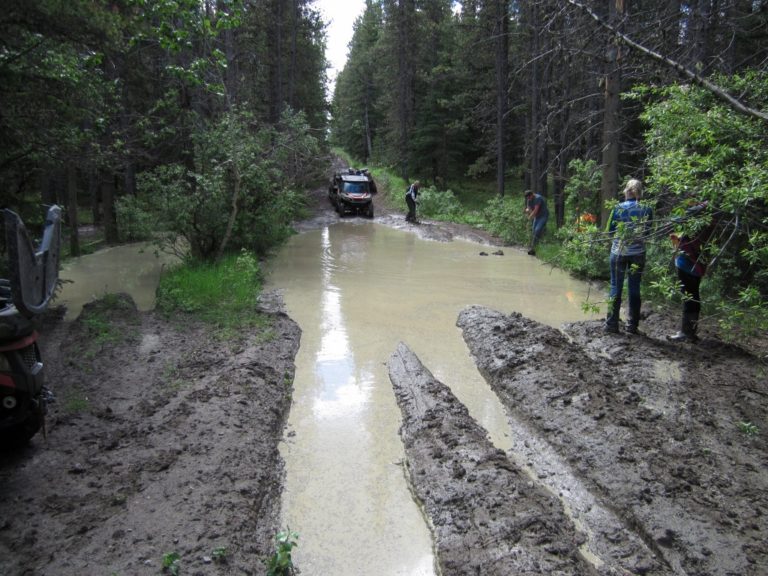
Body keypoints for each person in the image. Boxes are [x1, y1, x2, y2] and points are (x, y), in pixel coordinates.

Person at [604, 178, 653, 334]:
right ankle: (632, 326)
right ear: (640, 192)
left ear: (626, 191)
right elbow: (648, 231)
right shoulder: (647, 209)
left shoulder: (618, 208)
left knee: (615, 287)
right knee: (634, 288)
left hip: (618, 252)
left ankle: (611, 325)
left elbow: (610, 231)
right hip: (638, 253)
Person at [668, 202, 715, 343]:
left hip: (687, 264)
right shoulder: (712, 218)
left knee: (689, 297)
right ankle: (690, 332)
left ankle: (686, 332)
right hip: (699, 264)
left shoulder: (696, 214)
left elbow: (676, 220)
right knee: (694, 295)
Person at [524, 190, 549, 255]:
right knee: (534, 231)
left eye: (529, 197)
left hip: (543, 216)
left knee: (537, 230)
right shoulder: (529, 199)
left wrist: (529, 217)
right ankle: (535, 247)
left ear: (532, 194)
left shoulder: (538, 198)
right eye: (527, 198)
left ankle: (534, 247)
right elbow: (529, 208)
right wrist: (527, 210)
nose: (528, 199)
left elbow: (535, 210)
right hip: (536, 217)